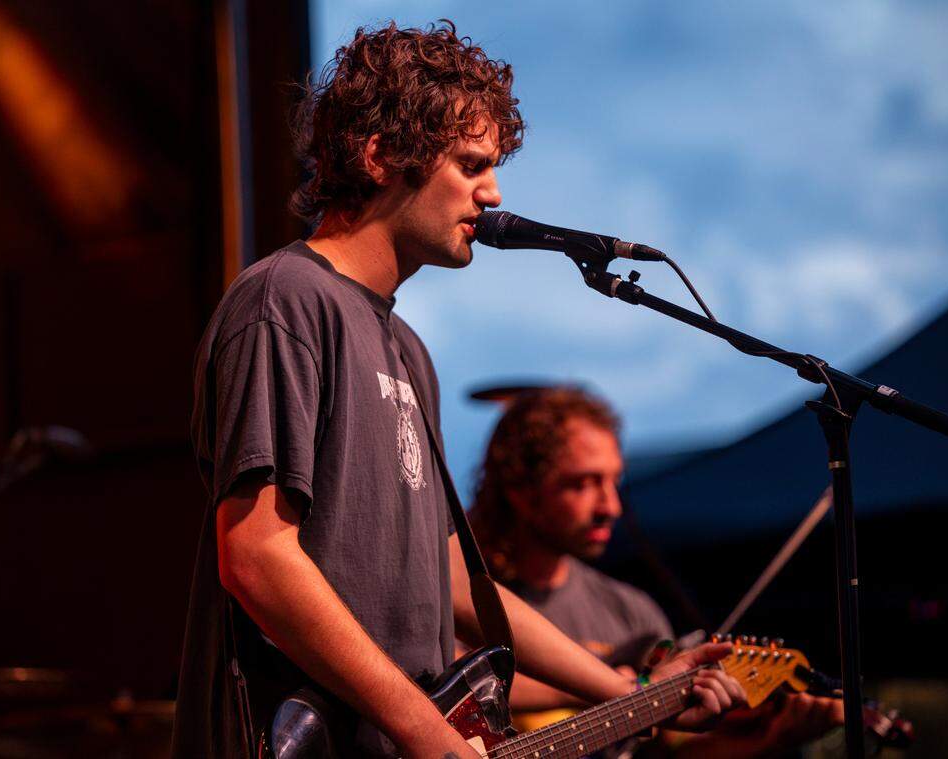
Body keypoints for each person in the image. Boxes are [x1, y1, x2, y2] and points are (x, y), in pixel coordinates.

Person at [171, 21, 745, 758]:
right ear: (379, 155)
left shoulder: (408, 350)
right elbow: (257, 556)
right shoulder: (285, 301)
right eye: (471, 164)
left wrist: (633, 692)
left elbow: (455, 585)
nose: (494, 191)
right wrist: (424, 730)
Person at [470, 386, 844, 757]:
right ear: (519, 488)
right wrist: (612, 685)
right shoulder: (460, 599)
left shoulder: (632, 611)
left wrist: (771, 741)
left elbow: (673, 753)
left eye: (615, 481)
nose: (612, 506)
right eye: (584, 483)